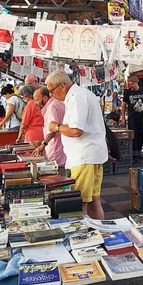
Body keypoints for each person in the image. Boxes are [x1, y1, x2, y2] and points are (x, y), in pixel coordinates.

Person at [46, 72, 108, 219]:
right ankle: (99, 233)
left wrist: (56, 127)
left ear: (62, 86)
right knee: (94, 200)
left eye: (52, 90)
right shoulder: (82, 94)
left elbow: (76, 131)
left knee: (79, 203)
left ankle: (84, 239)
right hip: (92, 155)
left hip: (83, 157)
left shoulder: (76, 97)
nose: (51, 95)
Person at [32, 86, 66, 173]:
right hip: (59, 149)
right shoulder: (56, 104)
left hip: (56, 151)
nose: (35, 103)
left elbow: (54, 129)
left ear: (45, 98)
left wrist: (43, 145)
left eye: (36, 100)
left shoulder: (52, 107)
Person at [120, 77, 143, 163]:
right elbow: (123, 106)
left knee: (140, 133)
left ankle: (139, 151)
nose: (131, 86)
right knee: (133, 134)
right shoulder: (127, 92)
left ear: (136, 83)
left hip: (141, 116)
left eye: (132, 84)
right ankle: (134, 153)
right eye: (129, 84)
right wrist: (123, 117)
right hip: (131, 116)